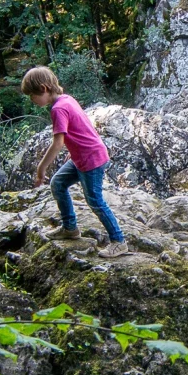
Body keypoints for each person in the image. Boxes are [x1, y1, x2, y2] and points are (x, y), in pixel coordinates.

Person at [20, 66, 128, 258]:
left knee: (95, 201)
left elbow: (58, 143)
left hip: (91, 159)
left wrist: (41, 168)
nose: (32, 100)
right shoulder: (66, 99)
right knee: (58, 183)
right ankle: (70, 228)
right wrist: (74, 150)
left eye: (32, 95)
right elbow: (81, 128)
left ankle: (119, 242)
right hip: (82, 156)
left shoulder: (58, 108)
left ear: (43, 88)